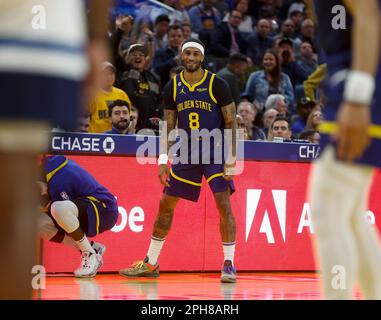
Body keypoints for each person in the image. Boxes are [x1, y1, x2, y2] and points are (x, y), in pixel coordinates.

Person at [0, 0, 111, 299]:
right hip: (46, 39)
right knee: (20, 212)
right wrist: (96, 38)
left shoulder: (57, 167)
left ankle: (88, 252)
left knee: (18, 210)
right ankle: (89, 250)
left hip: (25, 41)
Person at [120, 38, 238, 283]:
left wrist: (232, 159)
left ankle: (229, 263)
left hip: (215, 150)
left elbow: (231, 122)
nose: (192, 58)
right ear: (182, 57)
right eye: (188, 54)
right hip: (186, 152)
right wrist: (163, 159)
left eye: (196, 53)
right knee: (166, 203)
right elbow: (169, 125)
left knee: (222, 203)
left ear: (202, 57)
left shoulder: (218, 84)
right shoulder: (172, 87)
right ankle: (151, 262)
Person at [309, 0, 381, 299]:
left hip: (359, 88)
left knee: (328, 212)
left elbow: (368, 14)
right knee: (350, 215)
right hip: (355, 83)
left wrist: (359, 96)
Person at [38, 155, 118, 278]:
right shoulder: (46, 168)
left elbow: (60, 211)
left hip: (104, 209)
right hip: (84, 206)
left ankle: (89, 254)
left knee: (58, 209)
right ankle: (91, 249)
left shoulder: (57, 178)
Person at [119, 44, 164, 131]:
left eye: (141, 55)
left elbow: (159, 100)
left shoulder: (154, 78)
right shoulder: (123, 73)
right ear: (127, 58)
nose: (138, 57)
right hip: (128, 124)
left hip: (149, 125)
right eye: (134, 54)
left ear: (146, 59)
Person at [88, 61, 132, 133]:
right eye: (105, 74)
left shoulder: (122, 94)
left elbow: (128, 117)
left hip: (117, 138)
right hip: (96, 137)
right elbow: (84, 118)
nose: (109, 76)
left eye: (111, 74)